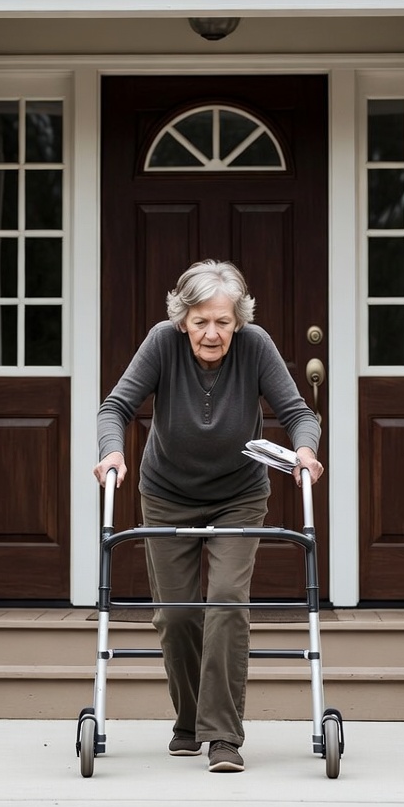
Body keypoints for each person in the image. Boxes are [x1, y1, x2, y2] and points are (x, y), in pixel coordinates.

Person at [93, 259, 324, 773]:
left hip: (238, 494)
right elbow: (116, 407)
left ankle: (222, 736)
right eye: (201, 322)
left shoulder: (256, 345)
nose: (212, 333)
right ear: (182, 320)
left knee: (224, 603)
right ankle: (190, 719)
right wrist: (113, 453)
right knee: (174, 615)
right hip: (166, 490)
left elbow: (298, 413)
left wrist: (304, 451)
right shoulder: (161, 342)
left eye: (222, 321)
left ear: (238, 319)